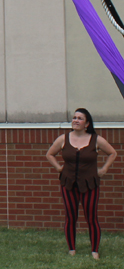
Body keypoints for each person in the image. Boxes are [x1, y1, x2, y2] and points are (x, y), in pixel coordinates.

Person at [46, 108, 117, 259]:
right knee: (70, 217)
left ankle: (95, 251)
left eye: (80, 118)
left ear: (87, 123)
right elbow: (50, 154)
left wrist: (104, 169)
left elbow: (112, 153)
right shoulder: (63, 139)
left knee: (91, 218)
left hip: (90, 184)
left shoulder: (96, 139)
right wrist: (59, 167)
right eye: (74, 117)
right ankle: (71, 249)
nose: (76, 120)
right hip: (68, 183)